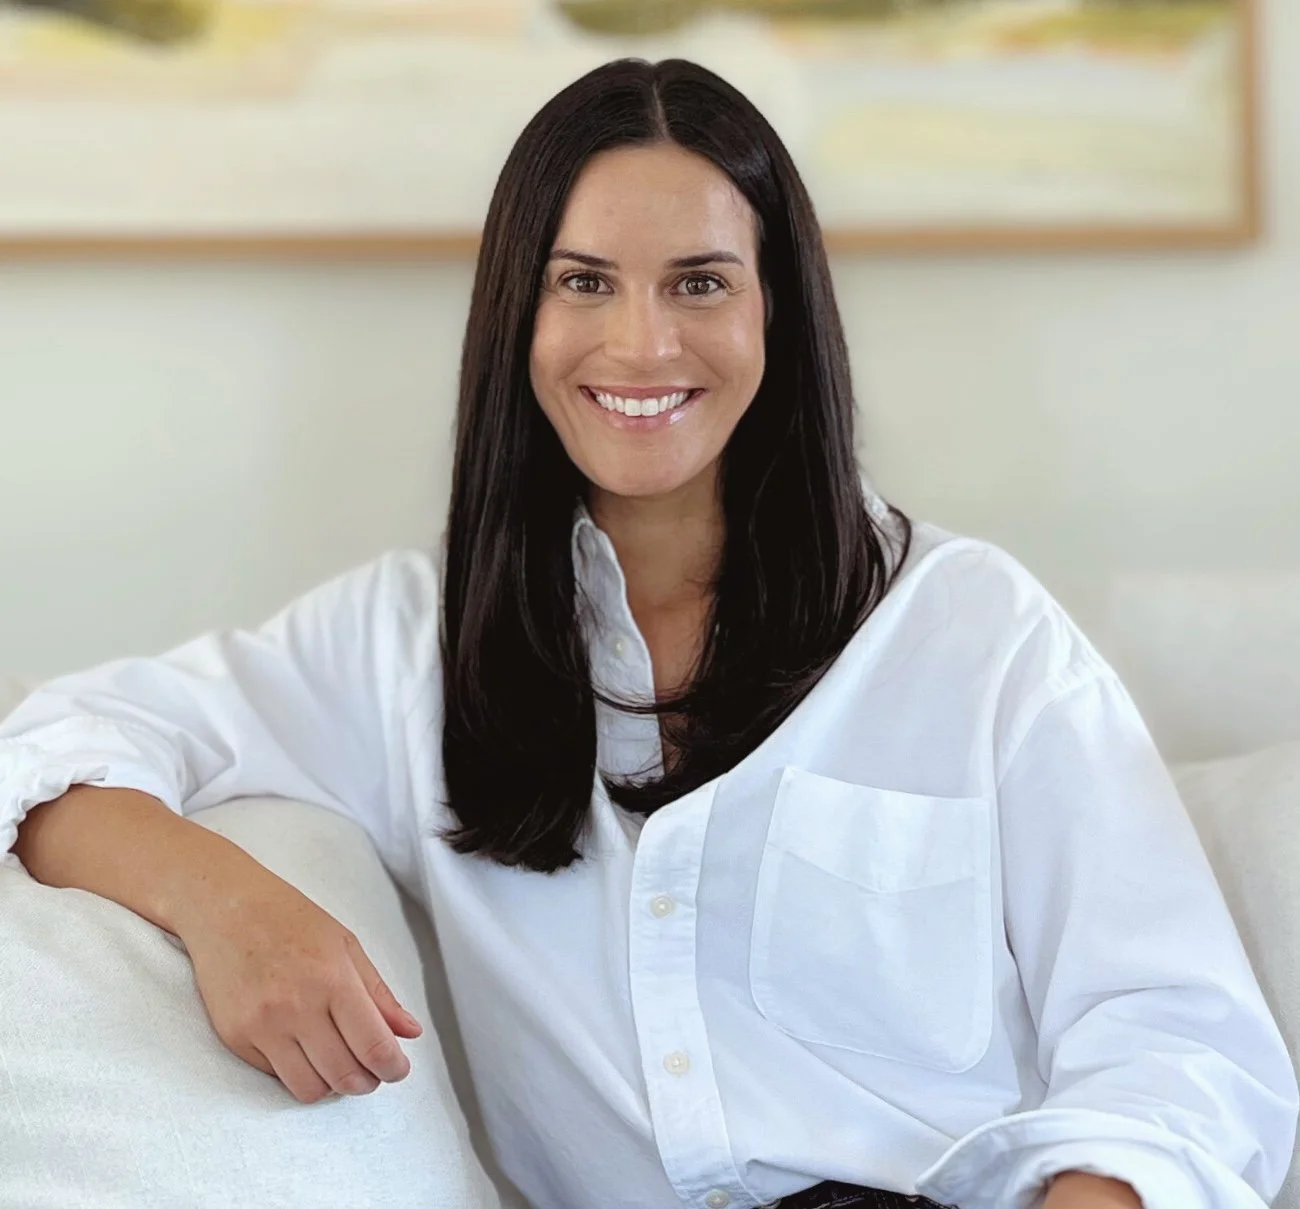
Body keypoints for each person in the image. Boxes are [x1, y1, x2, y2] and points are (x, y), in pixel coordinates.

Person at [0, 57, 1294, 1209]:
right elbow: (55, 744)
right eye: (584, 283)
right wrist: (227, 905)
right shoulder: (409, 647)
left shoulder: (972, 632)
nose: (640, 342)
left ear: (776, 313)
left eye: (700, 283)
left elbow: (1181, 1039)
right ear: (520, 317)